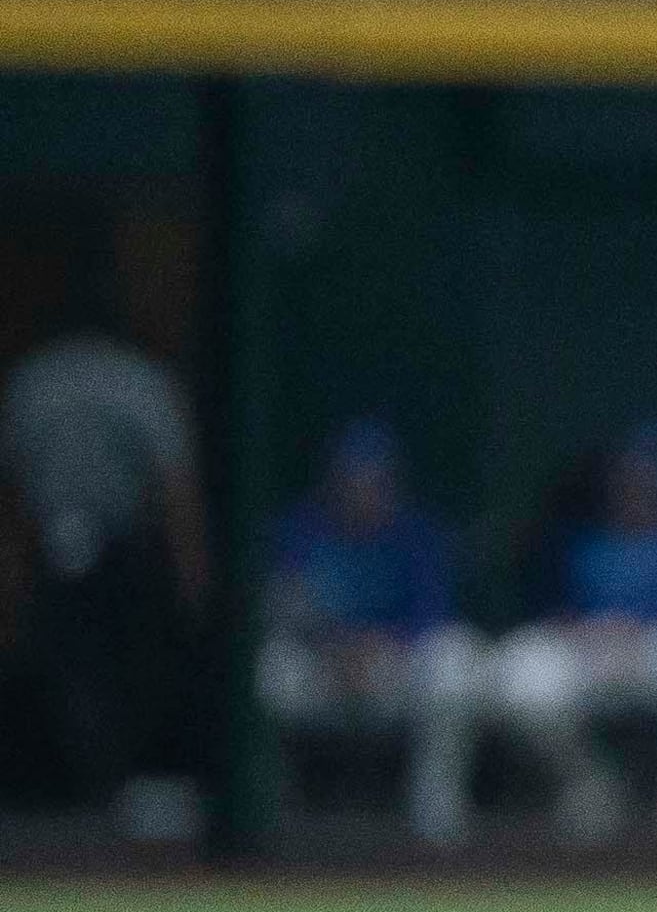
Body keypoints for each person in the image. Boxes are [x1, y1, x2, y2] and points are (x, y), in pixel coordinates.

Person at [492, 423, 657, 849]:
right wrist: (590, 632)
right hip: (589, 654)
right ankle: (591, 784)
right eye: (627, 478)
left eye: (647, 478)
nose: (636, 487)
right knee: (519, 672)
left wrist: (640, 632)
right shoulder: (573, 540)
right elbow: (543, 613)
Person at [0, 314, 210, 838]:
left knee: (112, 680)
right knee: (73, 685)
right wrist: (195, 587)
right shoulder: (139, 382)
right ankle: (73, 799)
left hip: (107, 567)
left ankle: (116, 798)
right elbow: (177, 495)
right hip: (79, 567)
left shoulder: (34, 379)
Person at [257, 420, 498, 848]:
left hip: (393, 666)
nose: (363, 491)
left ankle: (435, 812)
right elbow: (280, 609)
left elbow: (433, 618)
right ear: (334, 481)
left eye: (374, 480)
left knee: (456, 659)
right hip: (322, 668)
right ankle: (267, 808)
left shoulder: (415, 535)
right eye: (353, 479)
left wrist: (382, 647)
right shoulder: (300, 531)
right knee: (268, 670)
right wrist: (335, 647)